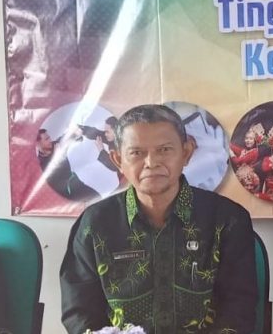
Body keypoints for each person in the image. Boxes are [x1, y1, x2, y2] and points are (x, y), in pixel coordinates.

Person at [60, 104, 258, 334]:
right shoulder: (95, 224)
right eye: (136, 153)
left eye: (164, 150)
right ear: (117, 160)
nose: (151, 163)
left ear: (186, 153)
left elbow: (239, 311)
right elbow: (79, 313)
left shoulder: (227, 220)